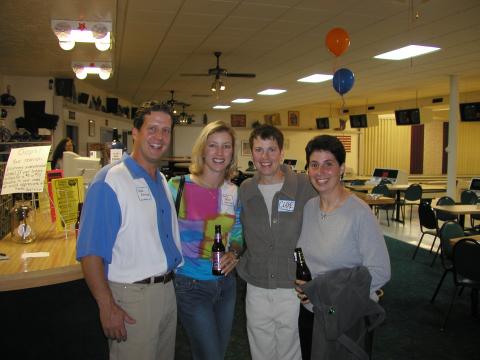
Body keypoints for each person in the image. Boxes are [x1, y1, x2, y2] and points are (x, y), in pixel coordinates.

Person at [76, 101, 183, 360]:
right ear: (135, 132)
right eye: (152, 128)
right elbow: (90, 252)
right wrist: (106, 305)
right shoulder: (110, 181)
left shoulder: (161, 181)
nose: (159, 137)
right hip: (133, 298)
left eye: (166, 130)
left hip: (167, 292)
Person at [295, 134, 391, 360]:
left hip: (342, 316)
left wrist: (326, 292)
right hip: (310, 313)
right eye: (314, 165)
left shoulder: (359, 213)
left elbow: (380, 272)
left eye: (329, 164)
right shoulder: (309, 208)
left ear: (342, 169)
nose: (320, 172)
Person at [236, 124, 316, 360]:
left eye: (271, 149)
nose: (265, 157)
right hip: (257, 285)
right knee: (260, 350)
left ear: (281, 152)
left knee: (291, 351)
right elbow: (239, 232)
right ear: (252, 153)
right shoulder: (246, 189)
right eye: (259, 150)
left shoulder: (304, 186)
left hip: (292, 286)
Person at [167, 120, 243, 360]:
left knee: (216, 354)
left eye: (226, 146)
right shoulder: (177, 187)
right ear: (202, 149)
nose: (219, 153)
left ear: (232, 152)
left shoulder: (233, 191)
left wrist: (235, 253)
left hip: (226, 286)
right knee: (210, 355)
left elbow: (238, 232)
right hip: (190, 285)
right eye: (213, 145)